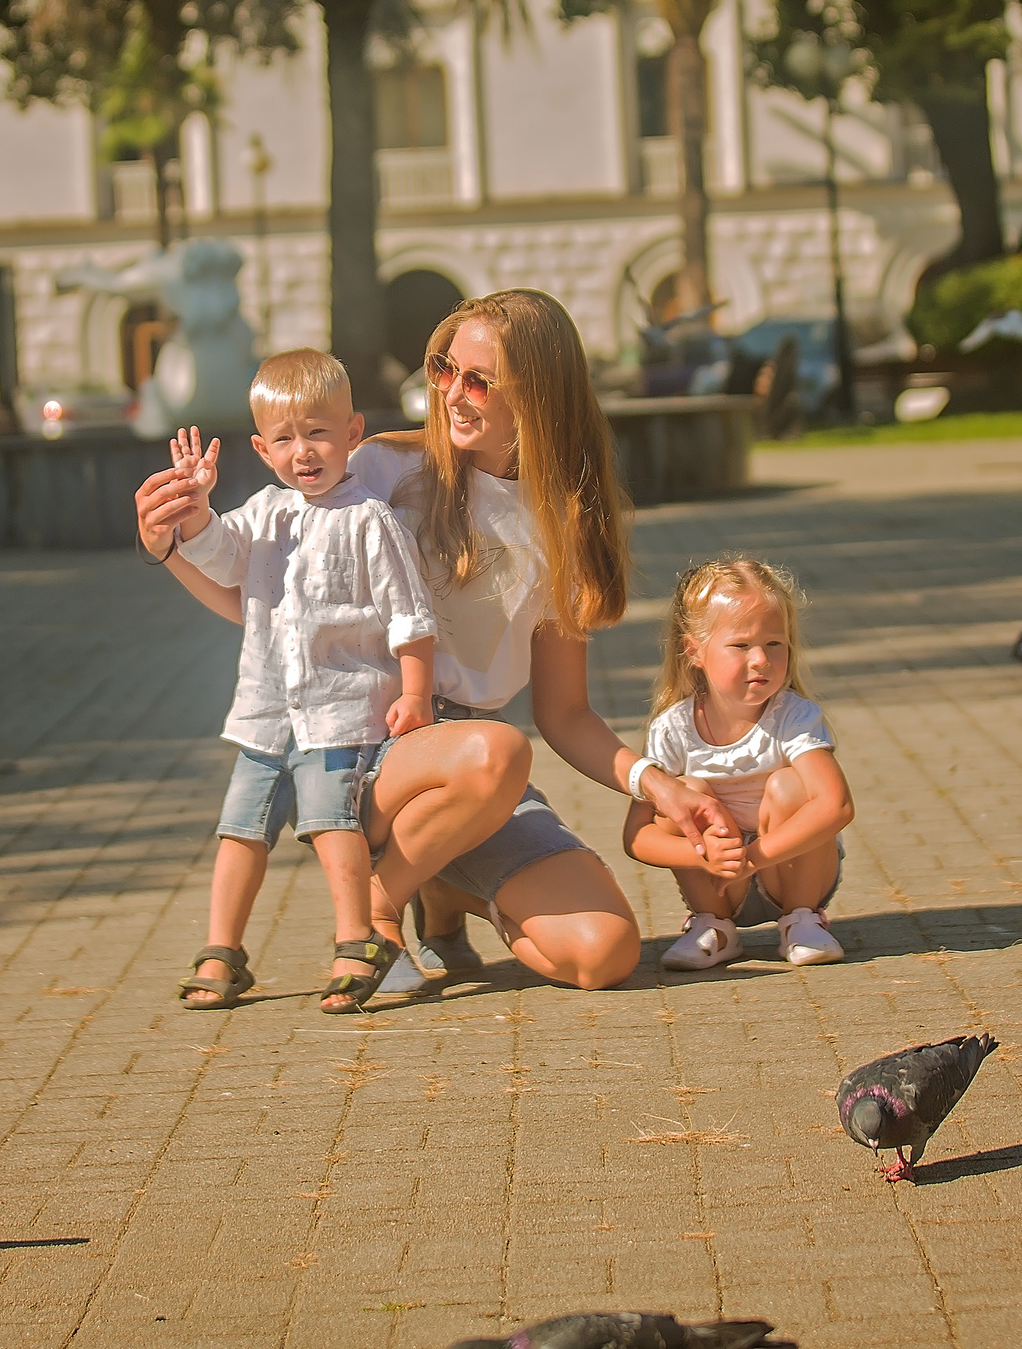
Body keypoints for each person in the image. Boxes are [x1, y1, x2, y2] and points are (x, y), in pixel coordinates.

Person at [141, 289, 737, 994]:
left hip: (471, 775)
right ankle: (375, 909)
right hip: (367, 748)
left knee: (603, 953)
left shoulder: (566, 522)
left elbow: (566, 713)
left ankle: (444, 886)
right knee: (497, 751)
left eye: (479, 380)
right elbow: (275, 608)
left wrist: (658, 783)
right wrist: (170, 547)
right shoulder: (381, 469)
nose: (452, 393)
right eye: (444, 368)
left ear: (539, 394)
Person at [139, 349, 438, 1015]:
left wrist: (415, 691)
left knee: (332, 824)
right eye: (284, 438)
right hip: (265, 713)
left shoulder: (370, 519)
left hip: (339, 714)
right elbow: (221, 557)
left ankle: (356, 940)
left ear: (353, 433)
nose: (302, 451)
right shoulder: (264, 511)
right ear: (262, 448)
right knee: (239, 829)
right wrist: (195, 510)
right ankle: (222, 950)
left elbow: (410, 615)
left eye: (318, 432)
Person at [627, 557, 855, 969]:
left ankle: (801, 921)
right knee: (686, 792)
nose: (761, 660)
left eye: (774, 644)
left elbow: (836, 805)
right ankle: (713, 926)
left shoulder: (793, 715)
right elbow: (637, 836)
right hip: (719, 883)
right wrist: (705, 855)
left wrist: (752, 859)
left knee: (789, 786)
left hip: (791, 872)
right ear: (695, 651)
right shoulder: (672, 728)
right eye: (741, 645)